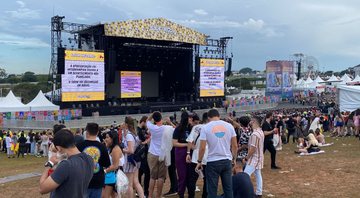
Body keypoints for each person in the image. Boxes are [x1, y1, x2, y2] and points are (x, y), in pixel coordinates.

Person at [39, 129, 94, 197]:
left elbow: (42, 189)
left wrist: (48, 165)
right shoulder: (89, 159)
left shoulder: (66, 165)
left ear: (58, 148)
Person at [196, 109, 238, 198]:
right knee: (228, 189)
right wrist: (234, 158)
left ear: (208, 117)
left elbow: (202, 148)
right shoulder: (229, 126)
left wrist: (199, 161)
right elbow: (234, 145)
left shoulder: (205, 127)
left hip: (212, 162)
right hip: (227, 160)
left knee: (212, 190)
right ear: (218, 116)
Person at [77, 123, 111, 198]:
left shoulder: (79, 145)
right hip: (97, 180)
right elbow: (106, 164)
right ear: (98, 132)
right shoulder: (102, 146)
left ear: (87, 132)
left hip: (83, 180)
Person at [186, 112, 209, 198]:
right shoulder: (211, 128)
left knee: (192, 179)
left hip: (196, 157)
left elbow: (190, 141)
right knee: (207, 180)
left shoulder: (196, 127)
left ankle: (191, 196)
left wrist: (188, 153)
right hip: (207, 158)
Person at [146, 112, 168, 198]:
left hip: (153, 153)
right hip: (163, 154)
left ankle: (150, 195)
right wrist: (169, 122)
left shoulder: (152, 127)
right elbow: (176, 129)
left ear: (154, 120)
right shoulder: (166, 128)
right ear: (161, 118)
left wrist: (152, 114)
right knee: (161, 177)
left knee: (152, 176)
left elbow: (147, 120)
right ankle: (158, 195)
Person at [122, 117, 144, 198]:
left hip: (130, 160)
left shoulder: (129, 135)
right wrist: (124, 129)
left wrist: (123, 150)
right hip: (135, 160)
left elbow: (131, 150)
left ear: (127, 124)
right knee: (136, 182)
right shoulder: (134, 134)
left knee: (129, 184)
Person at [172, 111, 192, 198]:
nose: (191, 119)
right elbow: (174, 143)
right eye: (189, 117)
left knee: (190, 175)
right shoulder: (178, 129)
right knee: (182, 175)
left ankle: (190, 193)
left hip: (189, 152)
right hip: (180, 153)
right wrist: (186, 145)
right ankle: (181, 194)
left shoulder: (191, 128)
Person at [244, 116, 265, 198]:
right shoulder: (260, 132)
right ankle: (259, 193)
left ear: (254, 122)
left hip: (254, 158)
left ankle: (247, 193)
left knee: (245, 176)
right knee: (258, 175)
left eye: (252, 121)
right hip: (259, 157)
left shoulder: (255, 134)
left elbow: (253, 149)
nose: (250, 122)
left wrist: (246, 158)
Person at [103, 131, 123, 198]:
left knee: (105, 196)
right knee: (114, 195)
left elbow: (115, 165)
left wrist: (105, 171)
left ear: (112, 138)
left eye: (107, 137)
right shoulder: (112, 148)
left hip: (113, 175)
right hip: (111, 174)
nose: (105, 139)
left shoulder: (115, 149)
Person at [137, 116, 151, 197]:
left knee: (140, 172)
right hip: (142, 155)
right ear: (144, 122)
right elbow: (143, 141)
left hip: (143, 154)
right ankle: (145, 192)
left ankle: (141, 191)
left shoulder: (141, 130)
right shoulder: (139, 130)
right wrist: (148, 139)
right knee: (146, 173)